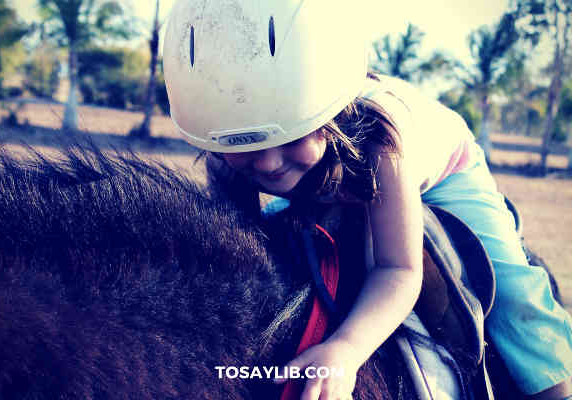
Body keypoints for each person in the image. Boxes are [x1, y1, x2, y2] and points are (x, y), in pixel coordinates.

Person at [161, 1, 572, 399]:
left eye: (290, 136)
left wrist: (347, 351)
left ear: (329, 113)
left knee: (517, 298)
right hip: (327, 181)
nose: (268, 165)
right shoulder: (225, 157)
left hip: (443, 173)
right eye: (245, 145)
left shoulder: (381, 140)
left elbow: (398, 269)